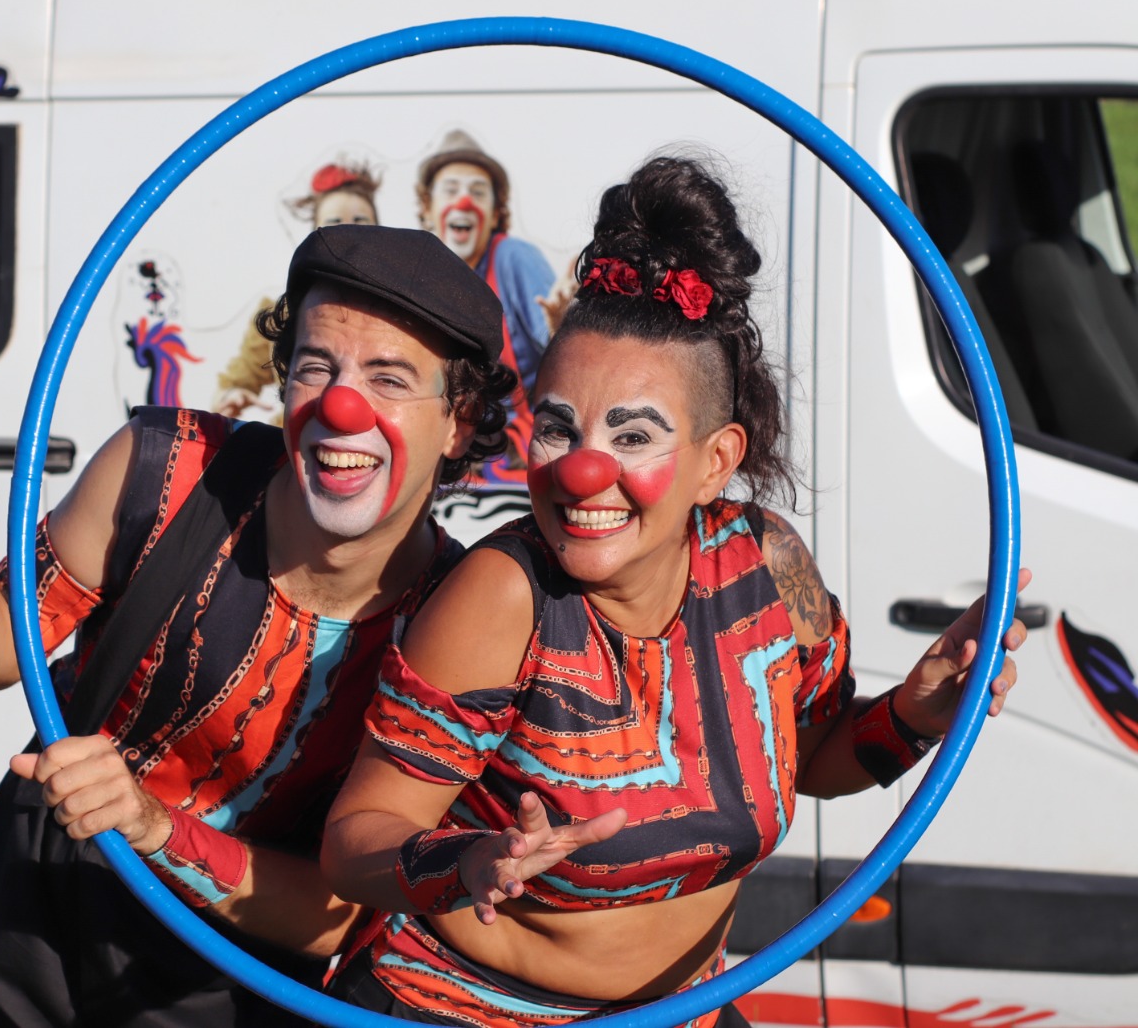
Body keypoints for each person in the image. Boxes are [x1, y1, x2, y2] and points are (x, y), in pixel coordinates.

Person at [320, 157, 1031, 1027]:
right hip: (460, 1011)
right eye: (559, 428)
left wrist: (917, 713)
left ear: (717, 461)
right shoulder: (504, 595)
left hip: (686, 1010)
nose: (585, 473)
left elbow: (815, 759)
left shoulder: (764, 566)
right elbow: (355, 840)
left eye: (634, 435)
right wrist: (466, 861)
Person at [0, 223, 516, 1027]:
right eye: (315, 366)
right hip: (44, 891)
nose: (340, 404)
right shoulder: (168, 468)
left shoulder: (458, 615)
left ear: (458, 422)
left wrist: (154, 826)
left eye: (389, 378)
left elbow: (340, 916)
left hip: (233, 961)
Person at [417, 130, 555, 482]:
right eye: (450, 190)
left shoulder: (513, 258)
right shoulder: (417, 272)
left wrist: (564, 326)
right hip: (443, 448)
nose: (463, 201)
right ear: (427, 210)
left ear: (495, 214)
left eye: (477, 192)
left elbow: (560, 348)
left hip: (520, 452)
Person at [213, 159, 384, 420]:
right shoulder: (280, 313)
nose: (349, 232)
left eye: (360, 221)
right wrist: (230, 397)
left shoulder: (400, 309)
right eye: (335, 222)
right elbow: (238, 379)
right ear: (316, 234)